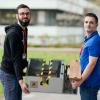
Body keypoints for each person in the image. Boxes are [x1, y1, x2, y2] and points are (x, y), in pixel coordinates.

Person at [0, 4, 31, 100]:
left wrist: (27, 64)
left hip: (16, 72)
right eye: (22, 14)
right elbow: (16, 58)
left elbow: (22, 52)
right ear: (17, 16)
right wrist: (21, 81)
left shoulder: (24, 29)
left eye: (27, 13)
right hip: (9, 74)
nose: (25, 16)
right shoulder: (14, 34)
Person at [71, 13, 100, 100]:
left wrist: (80, 80)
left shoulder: (95, 41)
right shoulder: (89, 39)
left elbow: (92, 63)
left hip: (89, 83)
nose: (88, 24)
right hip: (86, 82)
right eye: (86, 22)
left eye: (91, 22)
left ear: (96, 25)